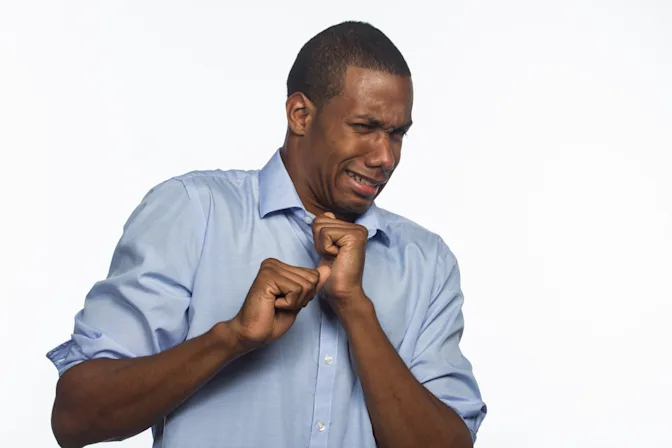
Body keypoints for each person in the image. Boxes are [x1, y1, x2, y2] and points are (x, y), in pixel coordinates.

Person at [47, 21, 487, 448]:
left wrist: (355, 308)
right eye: (364, 127)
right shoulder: (195, 213)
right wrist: (231, 338)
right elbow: (74, 417)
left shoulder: (427, 262)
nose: (385, 157)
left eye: (397, 134)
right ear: (301, 115)